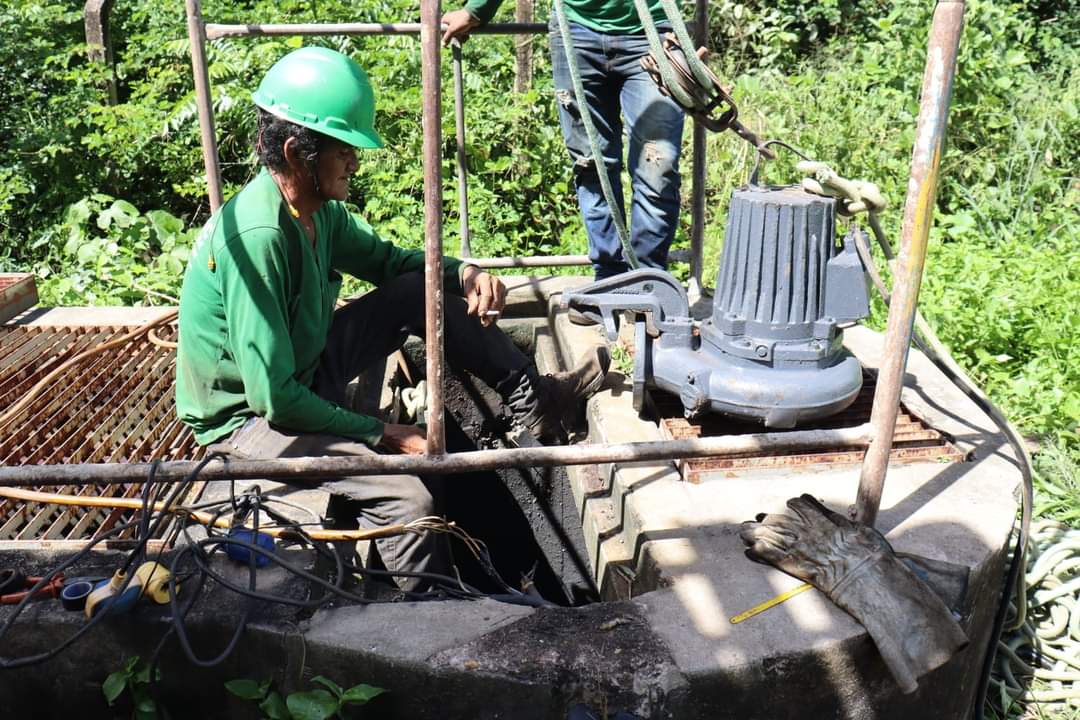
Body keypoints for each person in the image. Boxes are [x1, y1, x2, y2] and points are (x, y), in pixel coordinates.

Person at [175, 46, 609, 590]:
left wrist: (464, 273)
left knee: (412, 291)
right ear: (297, 153)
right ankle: (426, 611)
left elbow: (391, 265)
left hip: (301, 366)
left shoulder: (319, 215)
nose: (355, 163)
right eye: (344, 151)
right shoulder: (258, 239)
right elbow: (275, 399)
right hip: (248, 418)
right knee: (408, 493)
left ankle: (536, 400)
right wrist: (381, 433)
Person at [442, 1, 686, 282]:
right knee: (591, 164)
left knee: (658, 165)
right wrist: (476, 10)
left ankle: (649, 282)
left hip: (653, 30)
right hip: (577, 30)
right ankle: (609, 281)